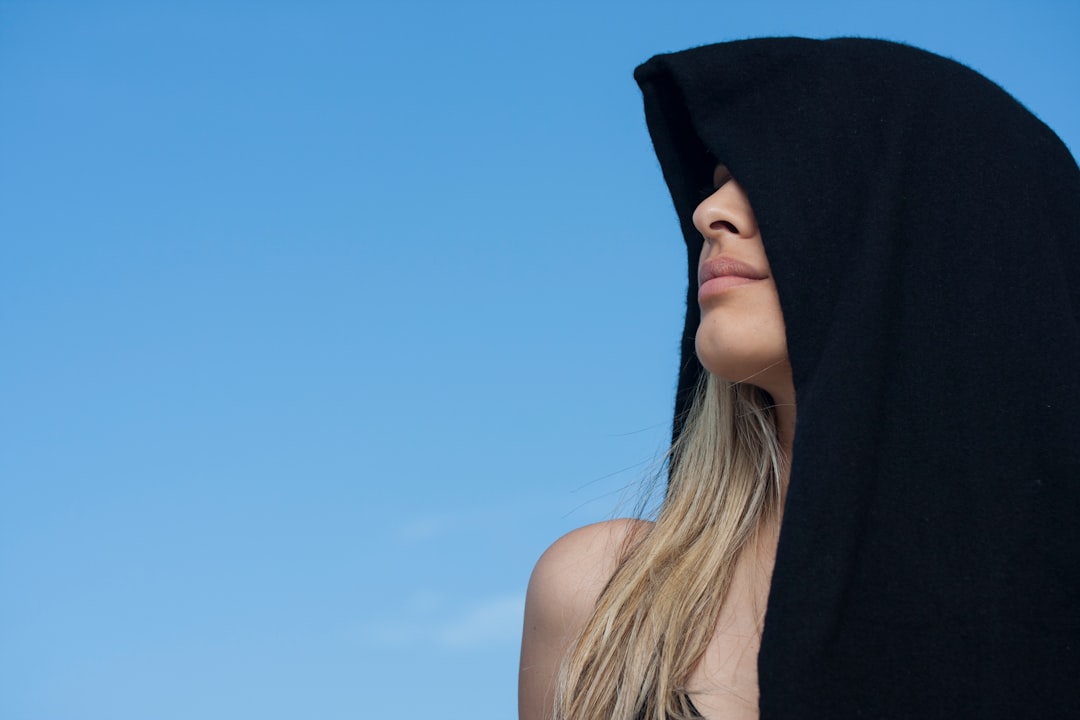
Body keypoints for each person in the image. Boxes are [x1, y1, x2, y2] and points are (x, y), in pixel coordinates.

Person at [519, 37, 1080, 720]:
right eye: (717, 179)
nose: (707, 213)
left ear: (928, 227)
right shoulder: (601, 601)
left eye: (771, 177)